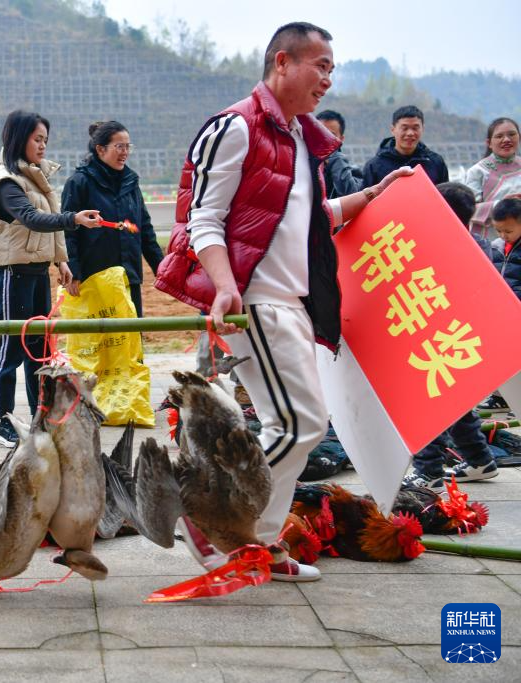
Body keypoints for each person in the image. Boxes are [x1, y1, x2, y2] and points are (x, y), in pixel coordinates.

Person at [155, 22, 413, 582]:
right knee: (300, 425)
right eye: (320, 65)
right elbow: (202, 218)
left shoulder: (298, 138)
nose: (328, 79)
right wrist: (225, 285)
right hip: (256, 301)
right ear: (282, 62)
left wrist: (372, 195)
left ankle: (259, 544)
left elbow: (308, 220)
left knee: (293, 427)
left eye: (331, 69)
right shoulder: (235, 127)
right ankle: (211, 521)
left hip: (292, 301)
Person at [0, 109, 101, 447]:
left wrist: (60, 261)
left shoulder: (36, 178)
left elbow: (48, 222)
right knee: (11, 348)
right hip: (12, 274)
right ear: (19, 139)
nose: (43, 145)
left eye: (45, 139)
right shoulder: (6, 182)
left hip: (36, 273)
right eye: (37, 139)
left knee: (41, 350)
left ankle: (40, 415)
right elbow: (32, 218)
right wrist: (74, 219)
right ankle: (4, 421)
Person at [403, 183, 498, 487]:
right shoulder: (479, 243)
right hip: (463, 338)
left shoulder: (447, 247)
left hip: (443, 337)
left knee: (428, 401)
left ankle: (428, 470)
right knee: (455, 402)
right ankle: (479, 460)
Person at [60, 121, 163, 316]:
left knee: (131, 331)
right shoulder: (79, 183)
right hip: (95, 278)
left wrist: (161, 268)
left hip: (128, 276)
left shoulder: (131, 182)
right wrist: (73, 271)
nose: (125, 152)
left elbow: (144, 230)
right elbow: (68, 232)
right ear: (101, 149)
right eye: (119, 146)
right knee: (101, 333)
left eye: (128, 146)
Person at [361, 105, 448, 187]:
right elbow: (366, 196)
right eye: (404, 128)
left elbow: (444, 195)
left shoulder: (435, 162)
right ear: (393, 129)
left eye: (415, 128)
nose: (410, 133)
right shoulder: (374, 166)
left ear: (422, 129)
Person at [464, 117, 521, 237]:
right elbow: (469, 209)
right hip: (490, 239)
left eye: (512, 134)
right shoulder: (478, 171)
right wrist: (503, 205)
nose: (506, 140)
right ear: (489, 143)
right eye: (499, 136)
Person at [315, 110, 363, 198]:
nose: (324, 138)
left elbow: (351, 197)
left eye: (331, 135)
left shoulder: (352, 172)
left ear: (341, 139)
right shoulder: (299, 163)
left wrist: (336, 159)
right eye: (320, 133)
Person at [491, 196, 521, 300]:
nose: (503, 236)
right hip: (495, 300)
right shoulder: (494, 246)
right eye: (498, 231)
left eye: (508, 231)